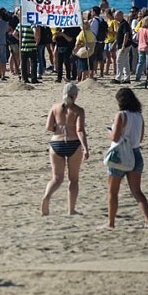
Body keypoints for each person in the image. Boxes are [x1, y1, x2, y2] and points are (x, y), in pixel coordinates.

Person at [105, 88, 148, 229]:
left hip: (120, 154)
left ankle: (111, 222)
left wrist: (109, 132)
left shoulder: (121, 115)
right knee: (137, 191)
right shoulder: (139, 115)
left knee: (113, 191)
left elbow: (115, 137)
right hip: (136, 153)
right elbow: (140, 138)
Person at [41, 83, 89, 216]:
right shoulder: (78, 110)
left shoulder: (55, 107)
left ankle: (47, 196)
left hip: (56, 143)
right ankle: (71, 209)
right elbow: (80, 130)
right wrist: (85, 148)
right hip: (73, 144)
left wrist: (59, 128)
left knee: (56, 178)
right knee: (73, 180)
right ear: (75, 95)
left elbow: (49, 127)